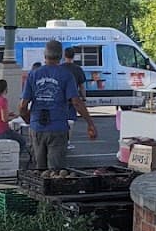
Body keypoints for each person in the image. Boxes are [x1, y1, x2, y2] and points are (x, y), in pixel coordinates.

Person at [19, 38, 97, 171]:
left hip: (37, 127)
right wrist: (90, 123)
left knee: (39, 170)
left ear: (44, 55)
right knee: (55, 171)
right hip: (58, 127)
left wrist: (29, 120)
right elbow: (76, 102)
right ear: (61, 56)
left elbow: (23, 106)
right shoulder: (66, 75)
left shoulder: (33, 74)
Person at [62, 46, 87, 149]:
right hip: (73, 98)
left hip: (60, 98)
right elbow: (81, 86)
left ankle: (60, 141)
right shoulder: (78, 69)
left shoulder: (60, 68)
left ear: (64, 55)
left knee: (60, 120)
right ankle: (67, 142)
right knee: (70, 121)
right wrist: (84, 98)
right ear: (74, 56)